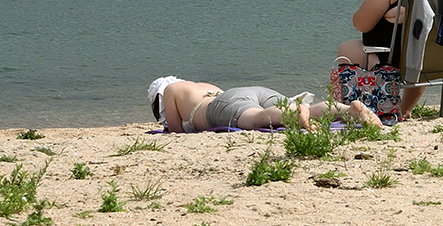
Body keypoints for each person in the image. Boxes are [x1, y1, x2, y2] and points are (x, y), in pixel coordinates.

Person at [334, 0, 441, 120]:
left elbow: (361, 24)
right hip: (436, 59)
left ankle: (357, 107)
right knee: (421, 43)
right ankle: (405, 109)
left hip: (397, 61)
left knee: (346, 48)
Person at [147, 77, 382, 133]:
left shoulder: (170, 91)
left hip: (220, 106)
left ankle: (292, 113)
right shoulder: (200, 85)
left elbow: (176, 132)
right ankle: (347, 110)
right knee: (309, 110)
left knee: (255, 118)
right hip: (247, 91)